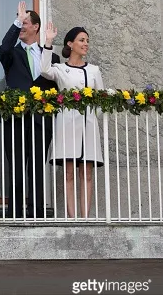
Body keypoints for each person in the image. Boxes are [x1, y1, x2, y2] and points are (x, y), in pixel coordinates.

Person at [0, 1, 60, 219]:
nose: (21, 26)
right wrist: (16, 21)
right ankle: (14, 214)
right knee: (15, 168)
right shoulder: (11, 54)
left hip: (41, 121)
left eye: (25, 22)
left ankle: (37, 213)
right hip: (15, 118)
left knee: (37, 169)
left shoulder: (51, 56)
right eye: (19, 22)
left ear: (36, 27)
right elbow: (3, 47)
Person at [41, 26, 104, 218]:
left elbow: (100, 99)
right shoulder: (61, 69)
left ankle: (85, 217)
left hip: (88, 125)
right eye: (81, 40)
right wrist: (49, 42)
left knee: (87, 171)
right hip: (67, 124)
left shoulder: (94, 70)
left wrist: (92, 116)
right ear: (70, 44)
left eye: (87, 40)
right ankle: (72, 216)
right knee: (69, 172)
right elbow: (44, 70)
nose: (85, 44)